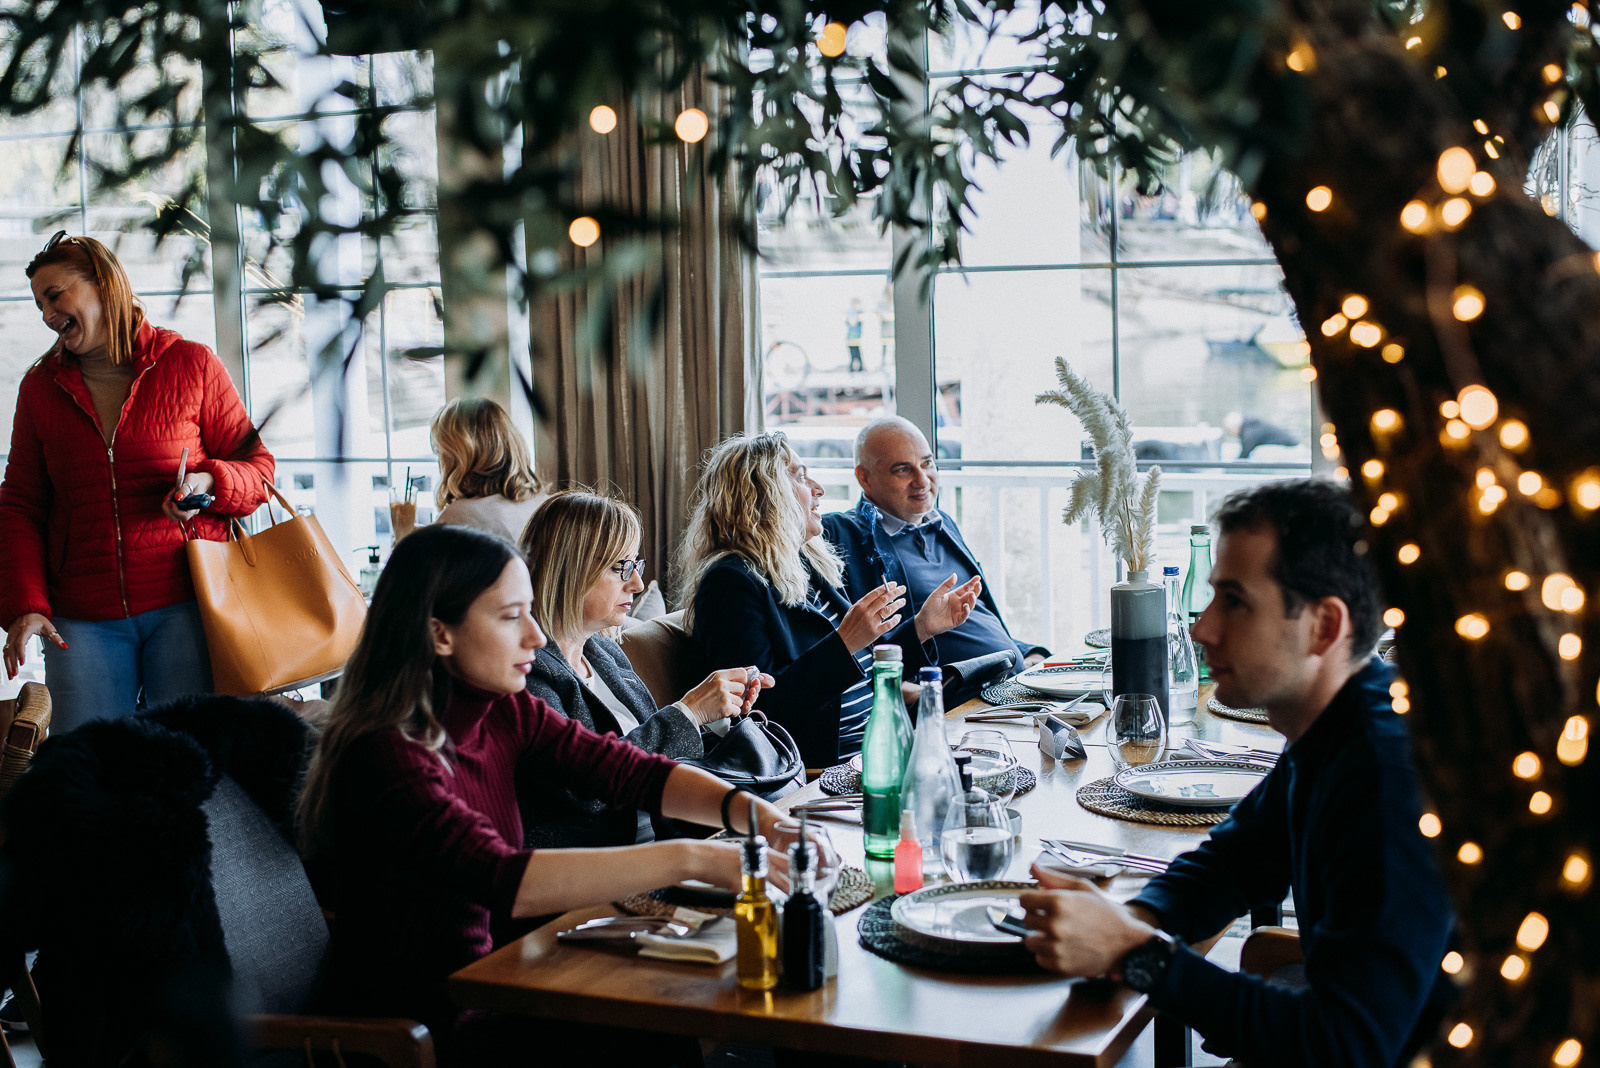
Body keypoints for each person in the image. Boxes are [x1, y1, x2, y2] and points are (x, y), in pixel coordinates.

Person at [297, 523, 800, 1063]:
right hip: (431, 1022)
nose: (537, 637)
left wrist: (759, 816)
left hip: (505, 977)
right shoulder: (388, 755)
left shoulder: (502, 707)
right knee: (671, 1024)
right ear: (440, 634)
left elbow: (631, 772)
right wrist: (695, 858)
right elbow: (503, 878)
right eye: (512, 616)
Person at [1017, 479, 1455, 1067]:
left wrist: (1139, 953)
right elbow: (1237, 860)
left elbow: (1346, 1046)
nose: (1202, 629)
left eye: (1235, 602)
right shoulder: (1338, 722)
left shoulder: (1385, 774)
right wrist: (1131, 920)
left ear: (1324, 627)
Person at [0, 231, 275, 731]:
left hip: (191, 605)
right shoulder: (40, 389)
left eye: (55, 296)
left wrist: (207, 482)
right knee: (90, 768)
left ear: (103, 285)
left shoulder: (191, 364)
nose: (46, 315)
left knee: (189, 762)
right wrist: (26, 606)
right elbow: (20, 505)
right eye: (39, 304)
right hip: (82, 619)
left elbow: (258, 469)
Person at [678, 431, 978, 768]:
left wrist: (922, 626)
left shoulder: (806, 565)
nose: (818, 489)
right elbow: (757, 714)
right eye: (800, 477)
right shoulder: (730, 583)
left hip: (881, 747)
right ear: (762, 495)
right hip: (822, 769)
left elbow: (865, 666)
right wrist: (845, 641)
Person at [518, 489, 775, 847]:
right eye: (620, 567)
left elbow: (657, 753)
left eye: (635, 566)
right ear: (569, 569)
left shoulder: (604, 653)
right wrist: (689, 712)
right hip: (602, 861)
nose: (637, 584)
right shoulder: (527, 673)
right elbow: (585, 786)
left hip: (665, 839)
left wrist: (715, 715)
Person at [821, 416, 1045, 682]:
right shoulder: (841, 535)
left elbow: (978, 618)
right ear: (865, 478)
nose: (922, 481)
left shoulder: (941, 523)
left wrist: (1026, 653)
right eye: (902, 470)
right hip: (957, 694)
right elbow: (856, 653)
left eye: (927, 463)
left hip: (1015, 677)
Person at [392, 397, 546, 542]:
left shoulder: (458, 516)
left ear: (456, 458)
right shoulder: (542, 503)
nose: (440, 461)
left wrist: (405, 544)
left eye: (440, 452)